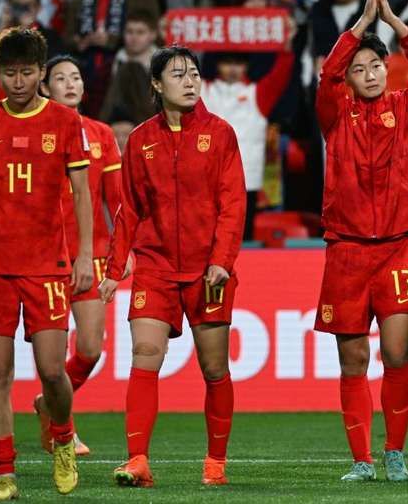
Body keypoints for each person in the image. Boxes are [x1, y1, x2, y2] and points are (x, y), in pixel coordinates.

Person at [0, 27, 94, 499]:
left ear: (42, 73)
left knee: (53, 372)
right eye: (9, 73)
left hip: (47, 265)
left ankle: (64, 434)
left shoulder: (64, 122)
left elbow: (81, 195)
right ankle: (5, 475)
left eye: (27, 72)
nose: (18, 81)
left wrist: (85, 255)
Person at [99, 46, 246, 488]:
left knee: (215, 368)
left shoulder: (220, 134)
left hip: (208, 270)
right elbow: (129, 210)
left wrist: (222, 260)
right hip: (156, 265)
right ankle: (138, 460)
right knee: (145, 354)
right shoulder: (142, 139)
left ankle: (215, 463)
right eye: (178, 74)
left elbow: (233, 204)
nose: (190, 81)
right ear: (157, 85)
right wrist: (114, 265)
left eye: (195, 74)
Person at [313, 0, 408, 482]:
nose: (366, 73)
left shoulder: (406, 107)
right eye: (358, 68)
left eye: (374, 66)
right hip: (345, 252)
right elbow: (327, 73)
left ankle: (394, 452)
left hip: (397, 250)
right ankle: (362, 460)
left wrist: (393, 24)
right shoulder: (335, 113)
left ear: (388, 70)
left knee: (395, 353)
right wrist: (362, 24)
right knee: (353, 359)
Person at [32, 55, 122, 456]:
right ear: (46, 88)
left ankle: (46, 405)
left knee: (90, 349)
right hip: (46, 258)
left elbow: (119, 201)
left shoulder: (102, 134)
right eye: (61, 78)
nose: (71, 83)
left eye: (76, 77)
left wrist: (124, 250)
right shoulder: (36, 131)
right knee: (52, 356)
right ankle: (61, 422)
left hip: (94, 255)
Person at [202, 32, 295, 241]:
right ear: (217, 65)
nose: (233, 69)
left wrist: (287, 47)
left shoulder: (258, 93)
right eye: (227, 63)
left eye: (239, 63)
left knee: (241, 244)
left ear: (246, 66)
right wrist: (168, 41)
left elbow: (281, 73)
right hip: (207, 181)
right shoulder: (202, 90)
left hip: (245, 182)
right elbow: (174, 74)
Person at [64, 0, 161, 118]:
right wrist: (79, 42)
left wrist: (112, 40)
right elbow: (67, 37)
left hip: (131, 73)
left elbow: (154, 34)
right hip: (89, 74)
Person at [0, 0, 67, 96]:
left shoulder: (50, 38)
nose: (21, 10)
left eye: (27, 7)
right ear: (8, 4)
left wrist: (26, 33)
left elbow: (49, 75)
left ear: (38, 8)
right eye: (16, 5)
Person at [100, 10, 160, 125]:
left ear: (153, 35)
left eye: (140, 32)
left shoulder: (164, 63)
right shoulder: (112, 61)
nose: (134, 37)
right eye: (129, 32)